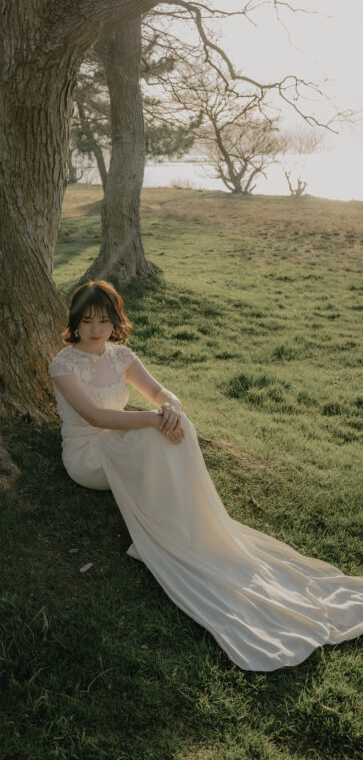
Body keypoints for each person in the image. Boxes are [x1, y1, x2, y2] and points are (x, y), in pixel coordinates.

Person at [50, 280, 363, 671]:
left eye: (104, 320)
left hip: (123, 439)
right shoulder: (64, 363)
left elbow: (163, 393)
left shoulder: (122, 356)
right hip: (88, 454)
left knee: (177, 428)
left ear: (116, 322)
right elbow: (95, 417)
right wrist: (152, 419)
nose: (95, 329)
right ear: (75, 323)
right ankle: (169, 534)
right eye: (87, 321)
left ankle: (189, 524)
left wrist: (171, 410)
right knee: (151, 435)